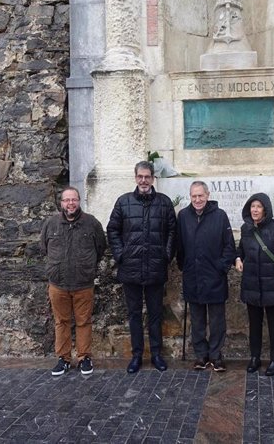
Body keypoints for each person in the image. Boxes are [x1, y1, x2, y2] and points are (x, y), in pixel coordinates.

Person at [106, 161, 177, 374]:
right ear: (135, 177)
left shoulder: (164, 203)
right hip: (131, 268)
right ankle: (137, 355)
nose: (144, 181)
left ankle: (156, 354)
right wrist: (121, 255)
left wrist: (166, 256)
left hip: (156, 267)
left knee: (156, 314)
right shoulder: (123, 202)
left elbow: (173, 232)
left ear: (153, 178)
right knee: (134, 314)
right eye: (140, 177)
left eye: (147, 177)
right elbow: (112, 230)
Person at [40, 186, 107, 376]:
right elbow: (44, 248)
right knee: (61, 321)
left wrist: (87, 267)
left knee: (83, 321)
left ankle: (84, 357)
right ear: (61, 203)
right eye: (67, 200)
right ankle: (64, 358)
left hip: (83, 284)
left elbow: (100, 247)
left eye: (74, 199)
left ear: (79, 201)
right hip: (58, 284)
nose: (71, 203)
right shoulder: (51, 224)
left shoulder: (91, 223)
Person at [235, 193, 274, 376]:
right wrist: (238, 258)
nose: (254, 210)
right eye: (252, 206)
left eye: (258, 206)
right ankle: (255, 357)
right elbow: (240, 249)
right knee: (254, 324)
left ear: (265, 209)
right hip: (252, 284)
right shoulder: (246, 229)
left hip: (273, 284)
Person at [176, 181, 236, 372]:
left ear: (208, 195)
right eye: (194, 196)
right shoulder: (184, 216)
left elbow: (229, 246)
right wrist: (184, 266)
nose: (197, 199)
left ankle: (216, 356)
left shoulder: (220, 216)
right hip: (192, 276)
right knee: (197, 320)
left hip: (215, 277)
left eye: (200, 195)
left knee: (217, 321)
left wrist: (222, 267)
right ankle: (201, 355)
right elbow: (180, 245)